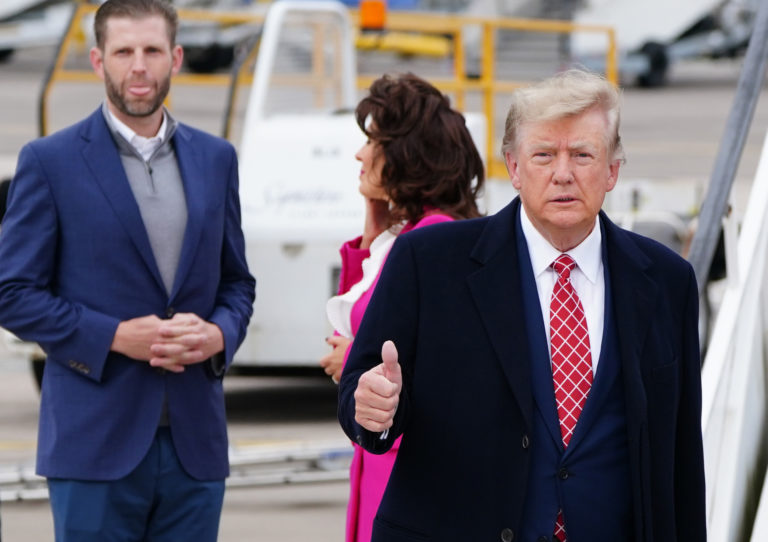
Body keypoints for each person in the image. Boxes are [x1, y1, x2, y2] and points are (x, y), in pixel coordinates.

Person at [338, 69, 706, 542]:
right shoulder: (428, 264)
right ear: (513, 167)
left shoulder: (666, 281)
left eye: (583, 155)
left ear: (612, 170)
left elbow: (682, 457)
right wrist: (371, 407)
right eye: (544, 155)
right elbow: (363, 393)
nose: (563, 173)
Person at [0, 0, 255, 539]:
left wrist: (218, 334)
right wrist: (114, 336)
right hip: (93, 447)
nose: (138, 66)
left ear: (176, 58)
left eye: (152, 51)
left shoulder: (216, 159)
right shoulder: (50, 161)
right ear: (98, 61)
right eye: (123, 51)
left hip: (195, 447)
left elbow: (236, 282)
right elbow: (13, 292)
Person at [321, 73, 485, 542]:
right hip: (380, 457)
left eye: (372, 141)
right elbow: (367, 325)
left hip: (407, 470)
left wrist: (350, 358)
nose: (360, 154)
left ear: (407, 153)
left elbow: (444, 365)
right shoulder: (413, 235)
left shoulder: (433, 242)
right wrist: (372, 231)